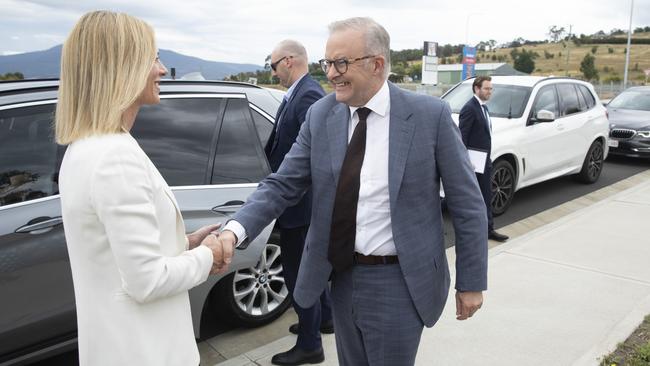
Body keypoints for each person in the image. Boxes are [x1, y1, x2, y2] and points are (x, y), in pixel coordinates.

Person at [219, 17, 488, 365]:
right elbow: (282, 184)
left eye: (341, 63)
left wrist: (471, 281)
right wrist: (234, 230)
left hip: (401, 283)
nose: (330, 73)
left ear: (376, 64)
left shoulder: (429, 116)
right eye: (327, 63)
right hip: (342, 277)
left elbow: (468, 204)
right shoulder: (321, 115)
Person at [55, 11, 231, 365]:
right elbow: (146, 282)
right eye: (153, 57)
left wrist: (184, 244)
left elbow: (115, 254)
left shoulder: (85, 147)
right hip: (145, 351)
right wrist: (208, 255)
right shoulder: (114, 156)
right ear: (123, 65)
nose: (162, 69)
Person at [265, 40, 333, 366]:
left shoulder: (307, 95)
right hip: (300, 204)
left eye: (273, 65)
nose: (273, 71)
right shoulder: (300, 92)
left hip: (301, 206)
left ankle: (310, 344)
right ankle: (324, 318)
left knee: (298, 275)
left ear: (289, 61)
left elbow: (320, 154)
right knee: (311, 271)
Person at [459, 76, 509, 242]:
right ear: (476, 89)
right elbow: (462, 138)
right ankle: (479, 231)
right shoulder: (469, 109)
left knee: (486, 197)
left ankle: (488, 230)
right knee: (475, 199)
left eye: (491, 89)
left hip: (484, 161)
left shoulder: (484, 108)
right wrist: (467, 162)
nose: (490, 92)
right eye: (487, 89)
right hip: (474, 163)